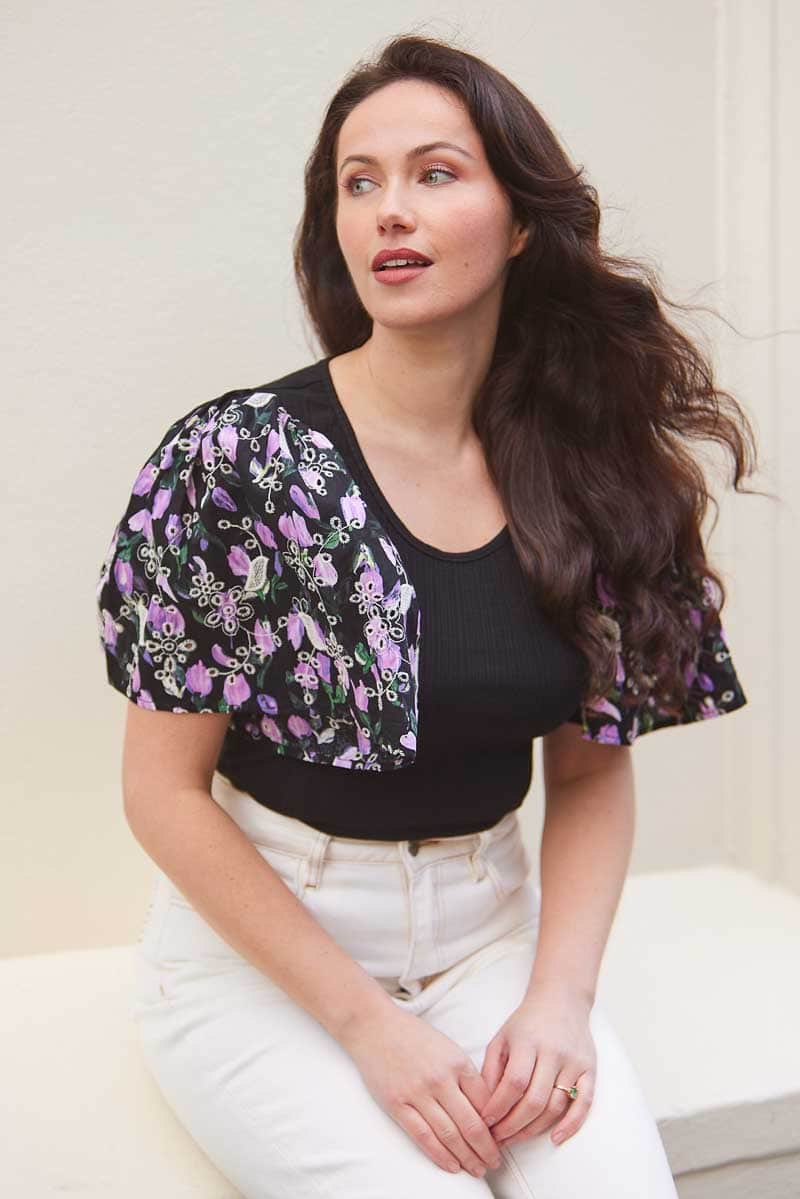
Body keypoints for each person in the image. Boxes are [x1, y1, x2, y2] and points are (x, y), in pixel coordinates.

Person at [95, 32, 756, 1199]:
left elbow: (589, 771)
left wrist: (558, 1001)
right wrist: (368, 1027)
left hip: (488, 939)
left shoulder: (586, 468)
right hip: (263, 960)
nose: (388, 209)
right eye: (359, 183)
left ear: (520, 222)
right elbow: (160, 791)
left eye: (434, 173)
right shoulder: (237, 461)